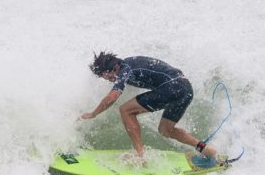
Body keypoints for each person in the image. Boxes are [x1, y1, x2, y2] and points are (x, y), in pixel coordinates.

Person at [80, 52, 218, 165]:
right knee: (165, 130)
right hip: (185, 89)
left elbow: (112, 97)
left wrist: (93, 114)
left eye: (106, 75)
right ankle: (206, 150)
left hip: (172, 87)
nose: (108, 79)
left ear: (113, 67)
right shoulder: (128, 65)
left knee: (125, 110)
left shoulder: (125, 69)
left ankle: (140, 155)